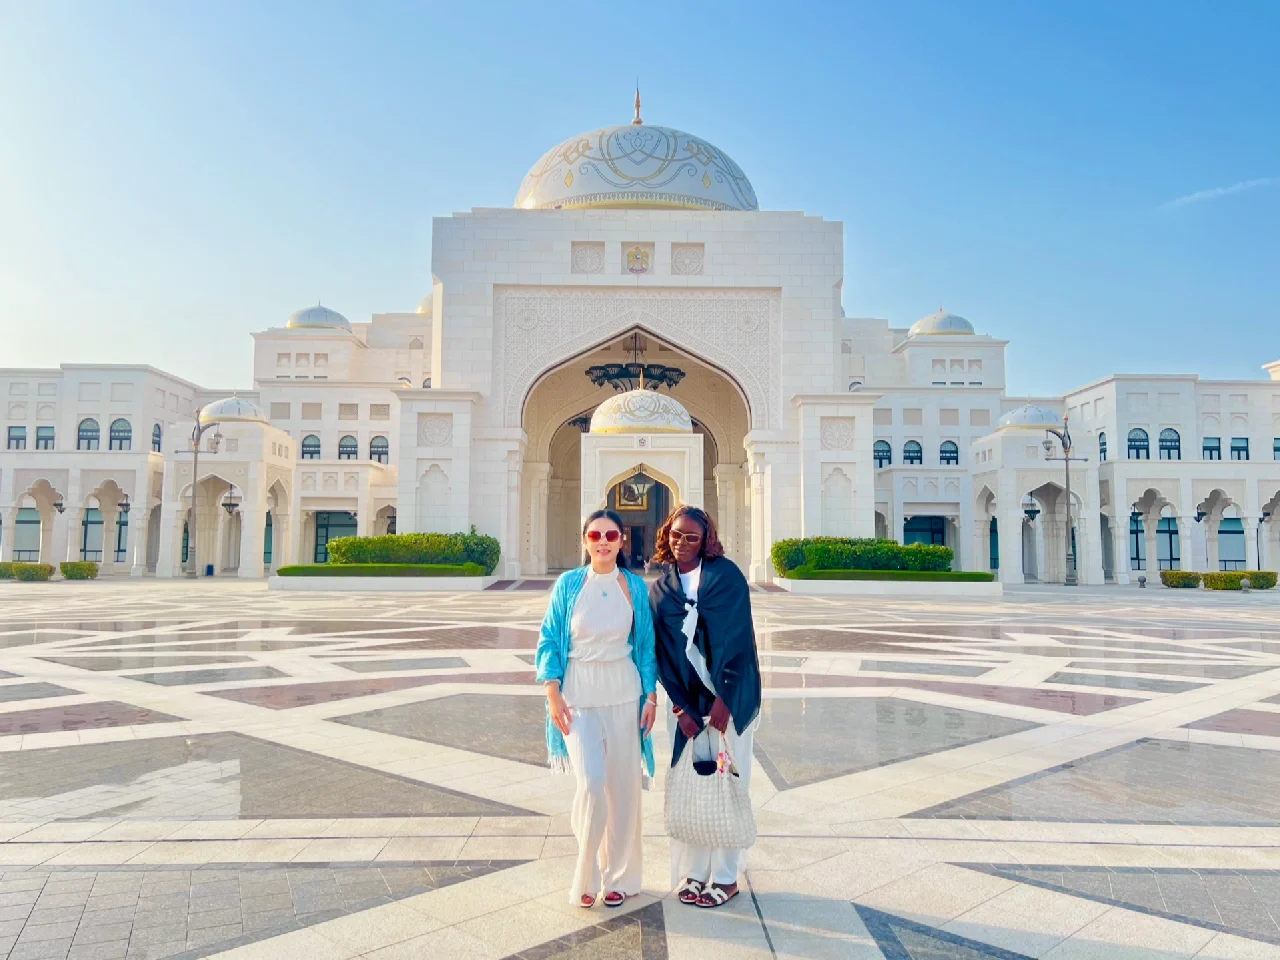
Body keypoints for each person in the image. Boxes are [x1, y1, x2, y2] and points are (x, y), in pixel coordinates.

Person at [536, 509, 658, 908]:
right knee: (590, 785)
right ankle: (586, 872)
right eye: (594, 535)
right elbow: (550, 639)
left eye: (610, 535)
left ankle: (619, 876)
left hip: (624, 694)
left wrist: (651, 696)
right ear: (585, 540)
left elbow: (645, 647)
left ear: (622, 539)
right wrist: (552, 692)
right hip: (578, 698)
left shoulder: (634, 587)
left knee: (623, 789)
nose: (602, 542)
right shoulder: (569, 584)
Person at [650, 506, 761, 909]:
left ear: (707, 539)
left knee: (729, 782)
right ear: (667, 536)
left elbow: (738, 644)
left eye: (691, 537)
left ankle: (727, 877)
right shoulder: (661, 589)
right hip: (688, 709)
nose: (682, 542)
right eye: (676, 535)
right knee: (694, 785)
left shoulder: (726, 578)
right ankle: (696, 874)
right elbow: (661, 654)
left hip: (730, 700)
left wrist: (724, 702)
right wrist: (681, 709)